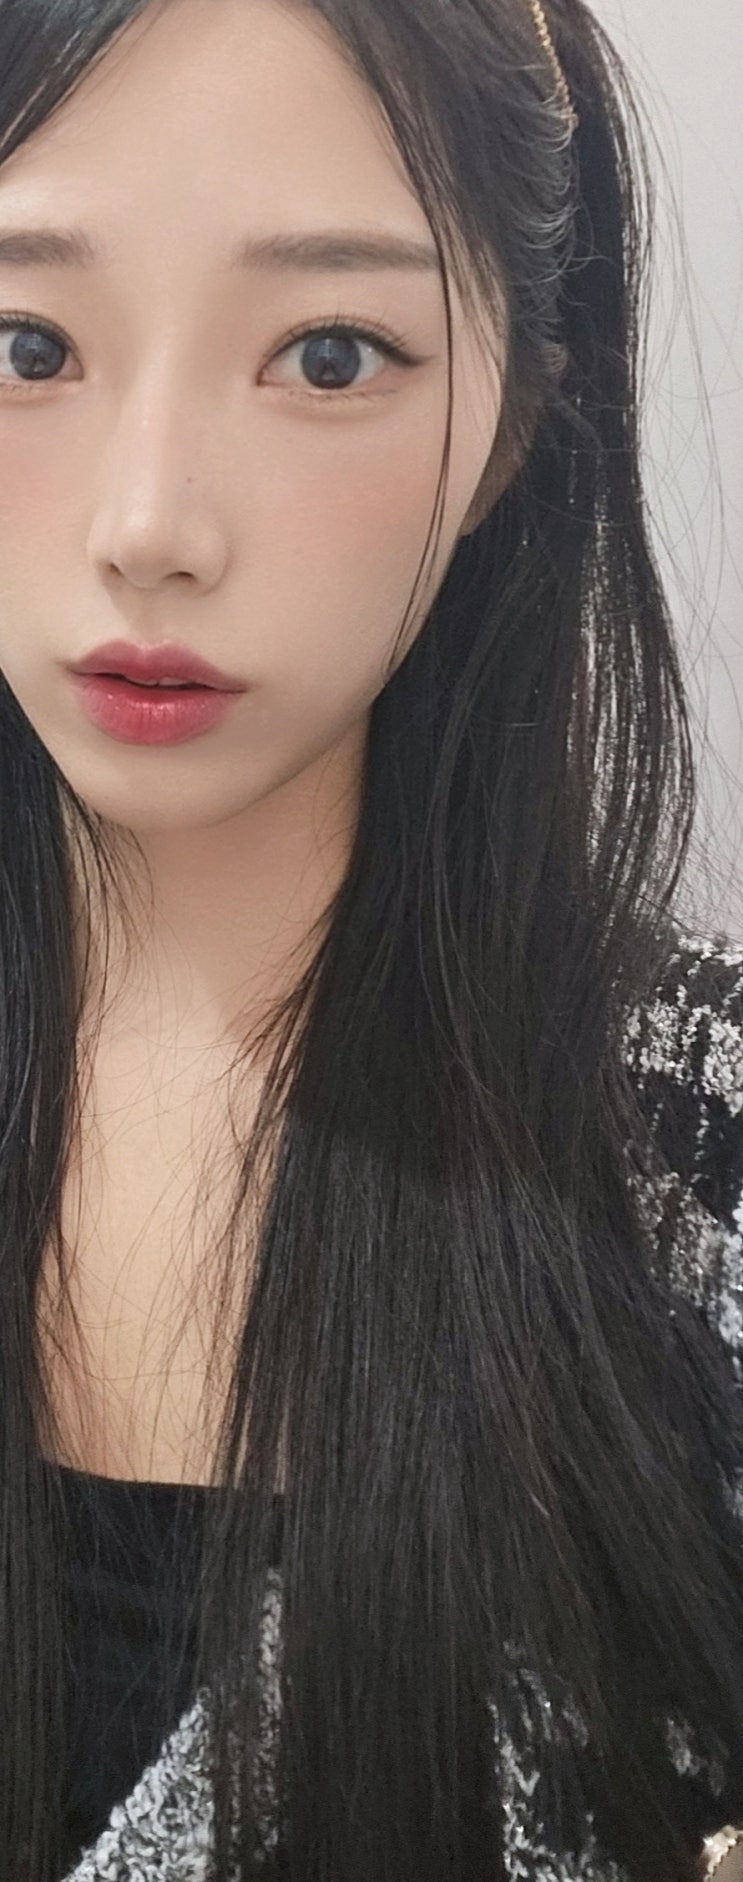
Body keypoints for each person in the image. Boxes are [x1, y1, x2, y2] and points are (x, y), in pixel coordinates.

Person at [0, 0, 740, 1876]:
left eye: (331, 354)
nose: (151, 525)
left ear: (515, 420)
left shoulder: (707, 1158)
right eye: (26, 345)